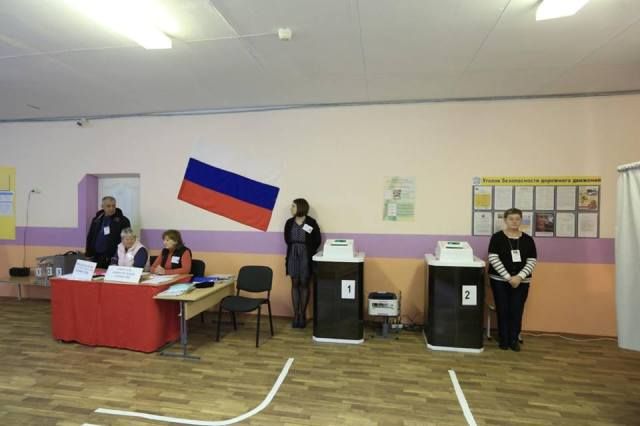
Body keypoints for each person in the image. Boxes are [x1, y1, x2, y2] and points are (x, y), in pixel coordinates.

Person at [488, 208, 537, 352]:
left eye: (517, 219)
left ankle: (514, 339)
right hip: (500, 280)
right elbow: (493, 258)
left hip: (522, 282)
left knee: (517, 309)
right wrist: (509, 278)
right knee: (502, 309)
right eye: (511, 219)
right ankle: (504, 339)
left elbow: (532, 260)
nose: (514, 222)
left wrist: (519, 277)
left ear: (521, 220)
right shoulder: (497, 238)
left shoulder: (528, 240)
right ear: (505, 220)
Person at [284, 198, 321, 328]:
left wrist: (308, 250)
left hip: (306, 255)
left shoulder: (311, 222)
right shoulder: (289, 222)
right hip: (293, 255)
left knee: (305, 283)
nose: (291, 208)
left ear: (300, 207)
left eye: (293, 206)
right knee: (295, 283)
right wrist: (296, 248)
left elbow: (317, 240)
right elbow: (287, 239)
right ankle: (296, 315)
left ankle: (302, 314)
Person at [85, 196, 131, 268]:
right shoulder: (96, 219)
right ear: (102, 206)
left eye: (113, 206)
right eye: (108, 206)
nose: (111, 208)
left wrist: (121, 256)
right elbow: (90, 236)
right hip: (96, 257)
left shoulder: (123, 221)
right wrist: (88, 254)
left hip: (113, 257)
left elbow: (127, 240)